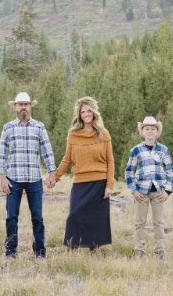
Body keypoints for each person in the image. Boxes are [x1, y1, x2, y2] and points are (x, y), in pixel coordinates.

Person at [48, 96, 114, 250]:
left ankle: (94, 248)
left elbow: (110, 161)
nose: (86, 114)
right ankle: (72, 246)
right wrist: (55, 176)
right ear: (79, 114)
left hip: (100, 181)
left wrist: (109, 185)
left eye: (89, 111)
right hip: (80, 182)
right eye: (83, 112)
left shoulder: (103, 133)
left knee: (95, 217)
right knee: (75, 214)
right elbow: (67, 159)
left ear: (94, 112)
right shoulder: (73, 134)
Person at [0, 92, 57, 259]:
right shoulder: (8, 127)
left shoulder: (39, 127)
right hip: (13, 179)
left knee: (37, 218)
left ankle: (40, 253)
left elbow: (47, 150)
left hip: (34, 179)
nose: (23, 107)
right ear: (15, 107)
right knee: (11, 217)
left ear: (30, 106)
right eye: (20, 104)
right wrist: (2, 177)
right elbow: (2, 154)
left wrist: (52, 172)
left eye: (26, 104)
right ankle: (10, 252)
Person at [124, 116, 173, 260]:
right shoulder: (136, 150)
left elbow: (170, 171)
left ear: (157, 132)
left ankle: (160, 250)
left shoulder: (163, 150)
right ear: (142, 132)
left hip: (159, 192)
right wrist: (134, 190)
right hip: (141, 191)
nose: (150, 132)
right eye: (147, 129)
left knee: (158, 222)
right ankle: (139, 250)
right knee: (139, 222)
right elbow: (129, 171)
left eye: (153, 129)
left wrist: (167, 190)